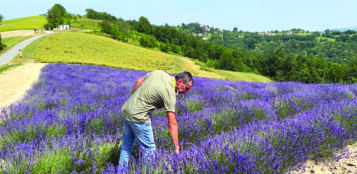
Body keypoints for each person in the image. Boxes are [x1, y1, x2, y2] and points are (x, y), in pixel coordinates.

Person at [118, 70, 193, 168]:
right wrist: (177, 147)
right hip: (139, 117)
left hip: (126, 110)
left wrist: (133, 101)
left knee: (126, 147)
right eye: (186, 88)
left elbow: (138, 81)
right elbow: (172, 123)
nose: (186, 92)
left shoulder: (159, 73)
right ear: (180, 82)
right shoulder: (170, 93)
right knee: (149, 149)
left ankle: (121, 171)